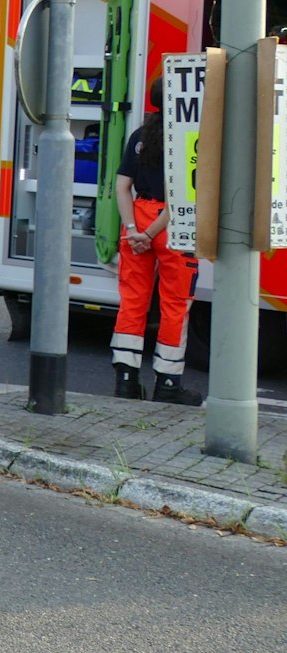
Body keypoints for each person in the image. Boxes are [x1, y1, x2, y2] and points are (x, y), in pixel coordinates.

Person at [112, 74, 203, 405]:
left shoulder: (140, 137)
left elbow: (122, 186)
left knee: (133, 301)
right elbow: (182, 195)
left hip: (137, 217)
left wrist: (134, 230)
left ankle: (125, 379)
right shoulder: (189, 138)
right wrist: (152, 234)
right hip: (173, 225)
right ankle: (167, 383)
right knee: (175, 304)